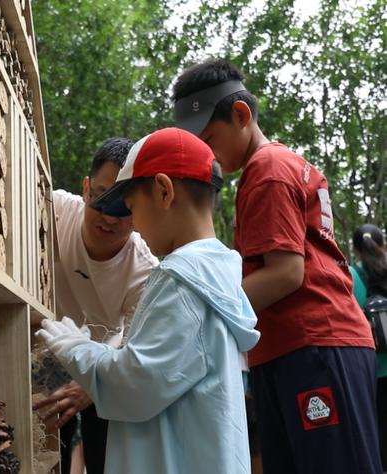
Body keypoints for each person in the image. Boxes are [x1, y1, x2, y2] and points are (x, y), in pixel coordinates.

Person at [173, 58, 380, 473]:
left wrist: (198, 309)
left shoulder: (267, 170)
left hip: (314, 344)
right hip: (291, 347)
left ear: (241, 115)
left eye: (210, 139)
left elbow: (287, 273)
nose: (209, 156)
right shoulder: (277, 166)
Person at [36, 127, 260, 473]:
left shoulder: (180, 280)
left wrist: (74, 346)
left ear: (163, 191)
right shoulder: (213, 275)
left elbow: (135, 383)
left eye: (130, 208)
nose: (133, 225)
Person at [33, 138, 158, 474]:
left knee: (106, 445)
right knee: (40, 446)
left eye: (122, 207)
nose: (108, 217)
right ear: (86, 188)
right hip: (43, 351)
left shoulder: (145, 271)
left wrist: (92, 383)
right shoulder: (53, 209)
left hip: (102, 359)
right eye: (100, 198)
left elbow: (132, 348)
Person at [350, 224, 387, 470]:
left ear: (355, 250)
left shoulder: (351, 275)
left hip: (372, 368)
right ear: (382, 244)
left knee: (379, 428)